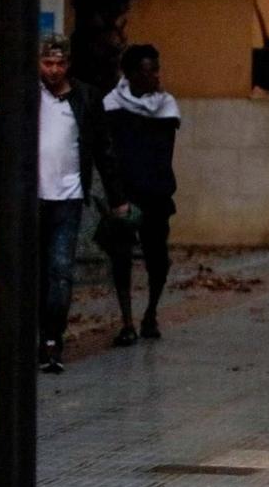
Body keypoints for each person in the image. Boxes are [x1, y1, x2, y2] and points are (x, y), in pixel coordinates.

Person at [35, 34, 123, 372]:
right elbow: (4, 129)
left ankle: (52, 339)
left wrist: (117, 198)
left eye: (59, 64)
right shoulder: (29, 95)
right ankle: (39, 336)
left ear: (68, 64)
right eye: (47, 63)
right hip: (33, 197)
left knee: (59, 272)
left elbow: (103, 148)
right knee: (34, 273)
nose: (54, 70)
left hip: (67, 198)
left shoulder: (85, 98)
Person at [99, 45, 179, 346]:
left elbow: (165, 152)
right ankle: (127, 321)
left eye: (156, 69)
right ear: (130, 74)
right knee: (121, 257)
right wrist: (115, 193)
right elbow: (108, 153)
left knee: (158, 258)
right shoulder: (111, 106)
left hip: (157, 194)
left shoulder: (167, 106)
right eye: (147, 71)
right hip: (124, 194)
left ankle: (151, 314)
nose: (154, 76)